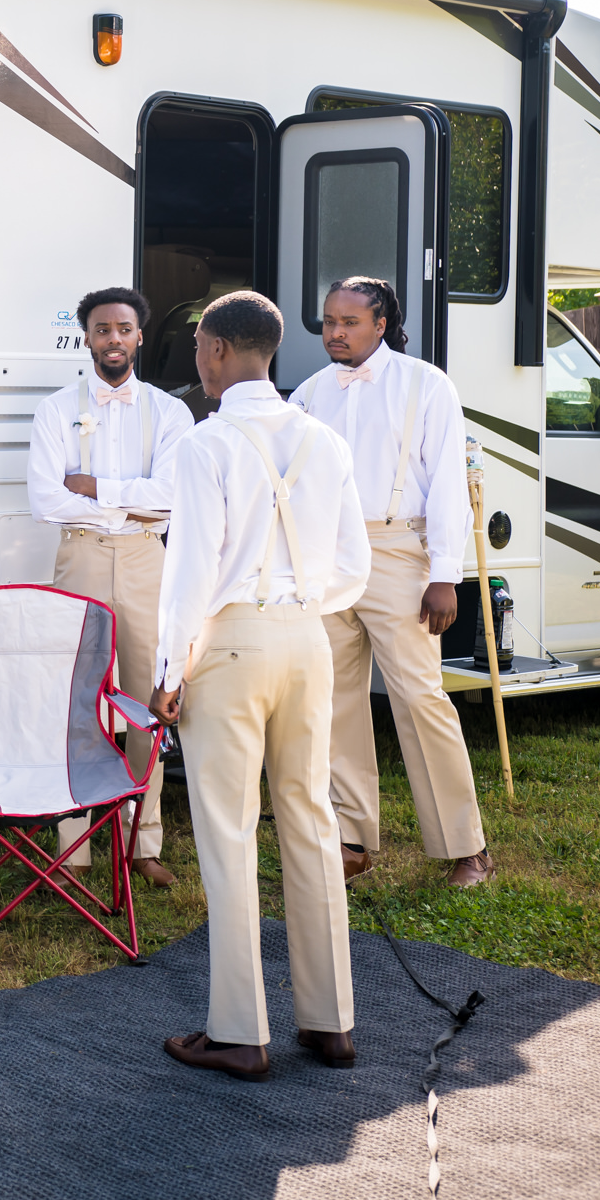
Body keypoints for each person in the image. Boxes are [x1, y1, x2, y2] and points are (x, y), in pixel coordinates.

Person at [151, 291, 370, 1080]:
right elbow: (355, 568)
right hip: (308, 639)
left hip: (232, 641)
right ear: (269, 352)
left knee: (229, 831)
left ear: (213, 351)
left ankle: (240, 1029)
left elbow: (189, 576)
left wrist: (169, 671)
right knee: (311, 821)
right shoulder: (325, 441)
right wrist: (301, 605)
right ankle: (331, 1020)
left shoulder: (205, 445)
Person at [291, 276, 494, 889]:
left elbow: (449, 490)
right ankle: (351, 839)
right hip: (327, 555)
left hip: (399, 550)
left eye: (348, 322)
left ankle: (466, 846)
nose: (334, 332)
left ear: (381, 323)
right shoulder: (308, 394)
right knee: (332, 699)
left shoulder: (425, 384)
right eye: (328, 321)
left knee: (418, 696)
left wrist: (443, 576)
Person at [27, 287, 194, 888]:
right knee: (79, 701)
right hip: (82, 560)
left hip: (150, 565)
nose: (114, 339)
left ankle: (142, 841)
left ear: (140, 336)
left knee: (150, 703)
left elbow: (173, 496)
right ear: (87, 337)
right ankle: (74, 848)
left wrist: (95, 488)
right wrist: (131, 502)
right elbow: (46, 499)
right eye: (102, 330)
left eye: (124, 329)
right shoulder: (56, 410)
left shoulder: (171, 413)